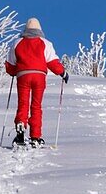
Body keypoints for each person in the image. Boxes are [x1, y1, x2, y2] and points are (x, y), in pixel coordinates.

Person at [4, 17, 68, 147]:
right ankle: (35, 137)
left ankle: (21, 125)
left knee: (23, 103)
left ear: (26, 29)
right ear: (39, 29)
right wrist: (63, 73)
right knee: (36, 105)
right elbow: (52, 62)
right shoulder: (45, 43)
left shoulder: (17, 42)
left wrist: (13, 72)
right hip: (39, 76)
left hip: (23, 76)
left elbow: (10, 64)